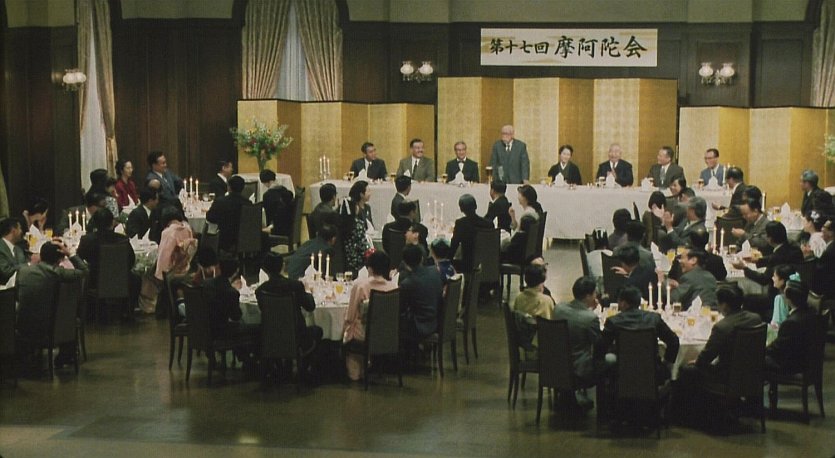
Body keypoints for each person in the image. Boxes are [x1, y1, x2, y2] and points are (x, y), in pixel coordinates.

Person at [16, 241, 89, 368]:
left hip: (22, 325)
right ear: (60, 259)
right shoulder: (57, 273)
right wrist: (70, 254)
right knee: (67, 315)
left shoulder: (22, 271)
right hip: (48, 329)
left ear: (41, 255)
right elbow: (84, 271)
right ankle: (65, 357)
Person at [596, 286, 679, 383]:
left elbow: (600, 348)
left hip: (622, 373)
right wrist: (666, 363)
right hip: (652, 372)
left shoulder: (613, 321)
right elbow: (674, 341)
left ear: (623, 303)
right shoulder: (654, 319)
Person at [343, 250, 398, 381]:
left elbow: (350, 316)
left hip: (365, 335)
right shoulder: (394, 287)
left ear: (370, 268)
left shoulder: (361, 286)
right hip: (388, 334)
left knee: (345, 327)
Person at [732, 221, 803, 320]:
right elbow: (775, 257)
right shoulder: (792, 247)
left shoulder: (778, 256)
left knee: (747, 299)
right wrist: (758, 260)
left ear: (770, 239)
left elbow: (763, 279)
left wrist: (744, 268)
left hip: (776, 295)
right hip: (796, 291)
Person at [257, 252, 323, 353]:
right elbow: (310, 306)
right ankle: (308, 361)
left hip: (271, 336)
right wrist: (308, 290)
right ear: (283, 266)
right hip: (296, 336)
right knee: (318, 331)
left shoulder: (260, 290)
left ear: (265, 269)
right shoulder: (295, 286)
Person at [552, 277, 602, 386]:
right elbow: (599, 345)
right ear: (588, 296)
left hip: (556, 363)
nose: (596, 296)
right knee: (612, 359)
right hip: (579, 368)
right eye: (595, 293)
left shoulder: (558, 308)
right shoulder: (590, 318)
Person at [77, 209, 136, 294]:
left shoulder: (87, 240)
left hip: (95, 281)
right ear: (112, 223)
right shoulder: (123, 239)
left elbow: (79, 259)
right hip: (122, 281)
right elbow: (131, 261)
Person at [765, 279, 816, 375]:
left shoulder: (791, 323)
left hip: (790, 365)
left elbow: (776, 349)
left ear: (789, 299)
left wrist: (759, 349)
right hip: (806, 359)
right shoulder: (812, 313)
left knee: (752, 358)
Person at [398, 244, 443, 341]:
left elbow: (400, 308)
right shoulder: (435, 271)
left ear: (404, 262)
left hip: (419, 327)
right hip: (437, 322)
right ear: (422, 258)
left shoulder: (408, 283)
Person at [512, 264, 555, 353]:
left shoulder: (519, 298)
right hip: (541, 345)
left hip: (523, 342)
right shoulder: (546, 301)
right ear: (541, 282)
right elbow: (550, 325)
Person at [206, 175, 252, 254]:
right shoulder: (248, 203)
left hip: (225, 239)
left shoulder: (220, 201)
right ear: (243, 188)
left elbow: (210, 218)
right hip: (245, 239)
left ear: (229, 187)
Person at [449, 194, 493, 273]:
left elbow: (454, 244)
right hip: (487, 263)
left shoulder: (461, 224)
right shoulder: (488, 224)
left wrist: (448, 259)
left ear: (461, 209)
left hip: (468, 265)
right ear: (476, 206)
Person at [339, 181, 373, 273]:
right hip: (357, 261)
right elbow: (363, 248)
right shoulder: (357, 225)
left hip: (346, 259)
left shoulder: (342, 223)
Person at [260, 169, 294, 237]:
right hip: (289, 226)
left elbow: (268, 216)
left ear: (267, 183)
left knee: (259, 231)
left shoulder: (267, 195)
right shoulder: (286, 191)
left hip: (278, 229)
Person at [0, 218, 28, 284]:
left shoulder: (18, 249)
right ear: (13, 231)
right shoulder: (1, 248)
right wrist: (28, 264)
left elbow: (23, 264)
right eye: (19, 228)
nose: (21, 231)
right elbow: (6, 271)